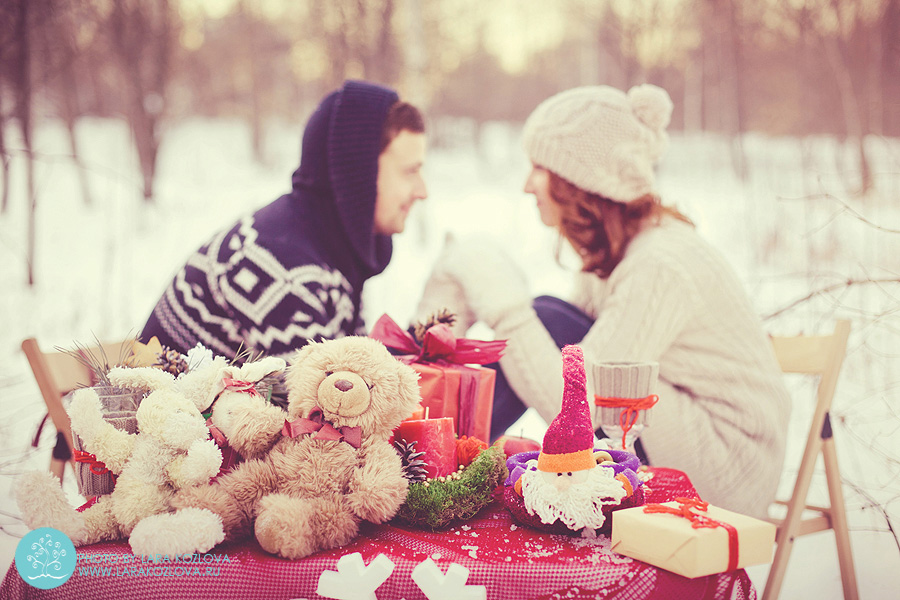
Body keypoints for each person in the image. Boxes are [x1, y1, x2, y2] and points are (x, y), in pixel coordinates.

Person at [415, 83, 790, 518]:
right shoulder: (626, 254)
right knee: (553, 318)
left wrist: (504, 307)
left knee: (547, 320)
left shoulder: (660, 263)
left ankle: (437, 467)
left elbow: (578, 406)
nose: (525, 184)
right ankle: (439, 457)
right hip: (678, 431)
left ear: (579, 179)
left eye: (538, 166)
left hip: (724, 469)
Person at [141, 80, 427, 361]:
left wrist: (427, 335)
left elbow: (353, 375)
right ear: (359, 176)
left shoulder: (330, 248)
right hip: (155, 407)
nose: (422, 191)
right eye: (409, 171)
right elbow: (323, 403)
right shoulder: (277, 264)